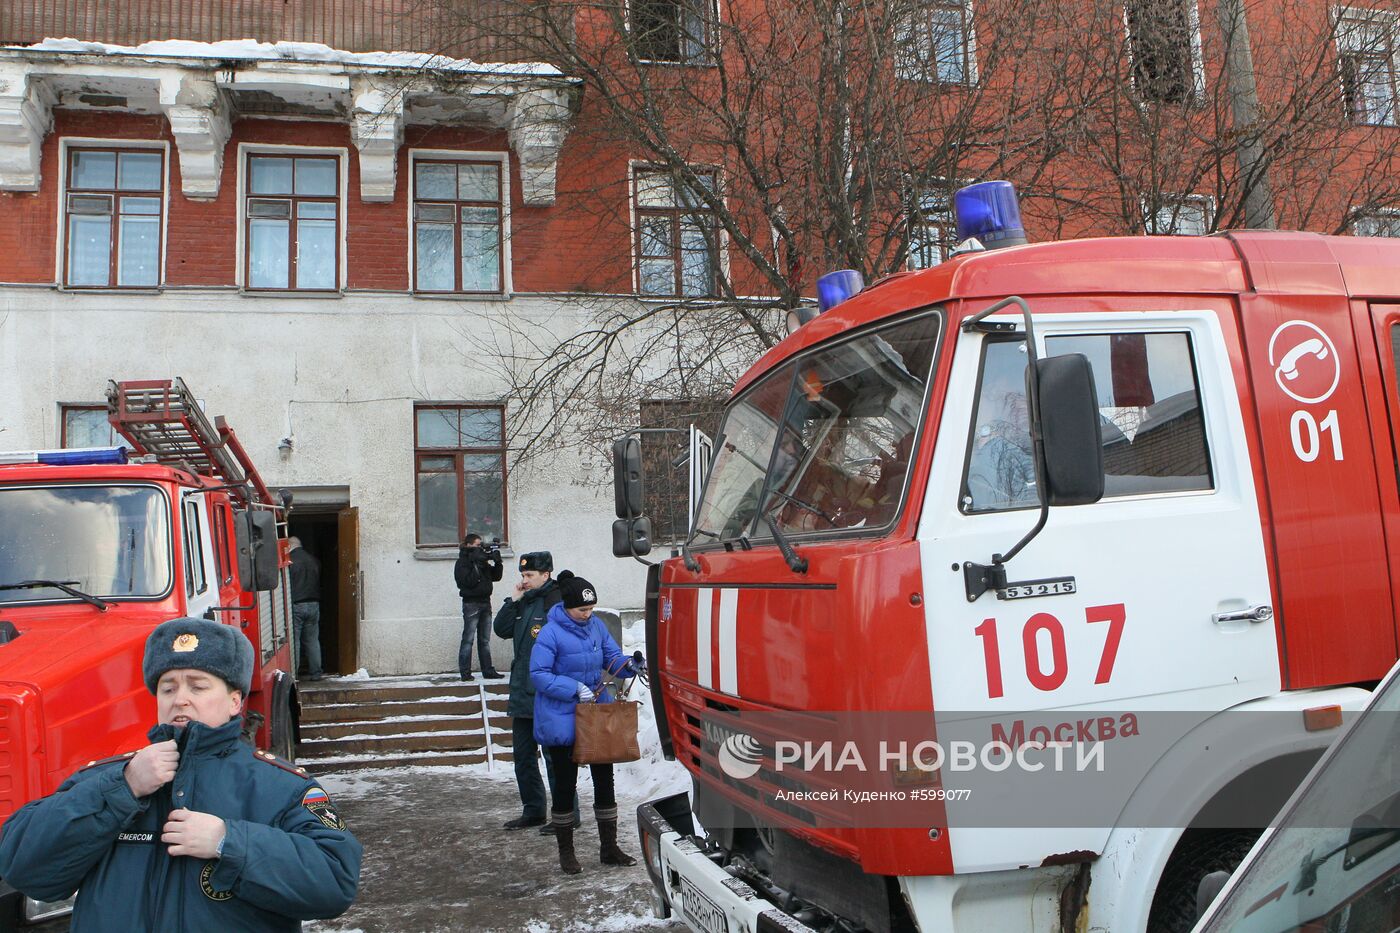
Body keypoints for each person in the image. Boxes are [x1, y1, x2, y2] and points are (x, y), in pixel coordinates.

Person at [0, 616, 362, 930]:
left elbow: (334, 881)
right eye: (168, 687)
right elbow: (23, 868)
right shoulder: (108, 778)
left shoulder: (280, 786)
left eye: (198, 686)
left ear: (235, 701)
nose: (180, 698)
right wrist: (122, 788)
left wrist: (229, 841)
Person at [530, 571, 640, 874]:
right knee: (565, 786)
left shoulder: (596, 627)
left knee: (605, 781)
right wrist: (573, 688)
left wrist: (628, 665)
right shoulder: (550, 633)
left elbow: (611, 657)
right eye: (583, 610)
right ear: (567, 607)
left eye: (591, 609)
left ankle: (609, 848)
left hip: (595, 716)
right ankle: (567, 853)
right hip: (561, 718)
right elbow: (538, 675)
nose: (588, 614)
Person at [491, 550, 577, 833]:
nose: (525, 580)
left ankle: (567, 814)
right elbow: (501, 629)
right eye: (523, 575)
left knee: (556, 759)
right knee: (524, 756)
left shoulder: (557, 601)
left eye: (529, 575)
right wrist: (513, 600)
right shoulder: (525, 601)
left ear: (546, 574)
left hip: (549, 694)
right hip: (522, 692)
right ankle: (534, 810)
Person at [454, 532, 504, 680]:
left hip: (485, 602)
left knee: (484, 640)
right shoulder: (462, 562)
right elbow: (466, 582)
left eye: (480, 545)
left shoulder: (481, 560)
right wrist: (476, 564)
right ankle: (465, 672)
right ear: (468, 545)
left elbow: (496, 577)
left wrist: (498, 563)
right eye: (477, 545)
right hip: (471, 604)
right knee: (468, 639)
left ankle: (488, 671)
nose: (479, 548)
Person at [288, 536, 323, 681]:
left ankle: (294, 674)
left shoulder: (290, 561)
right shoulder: (314, 560)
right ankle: (316, 673)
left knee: (294, 640)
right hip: (314, 604)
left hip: (297, 604)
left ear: (289, 546)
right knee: (312, 640)